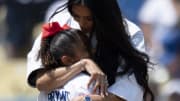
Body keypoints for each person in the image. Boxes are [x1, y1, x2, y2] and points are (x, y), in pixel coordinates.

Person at [27, 0, 154, 101]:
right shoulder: (58, 23)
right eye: (76, 16)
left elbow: (125, 94)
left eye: (89, 18)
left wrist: (87, 99)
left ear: (104, 14)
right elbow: (41, 82)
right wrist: (84, 64)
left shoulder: (130, 34)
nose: (82, 23)